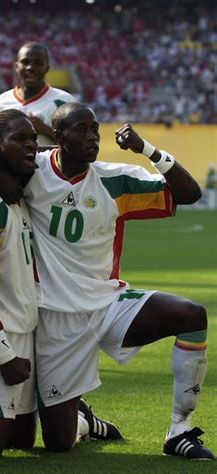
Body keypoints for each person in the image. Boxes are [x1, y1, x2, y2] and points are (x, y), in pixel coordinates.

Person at [21, 101, 213, 460]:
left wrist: (147, 150)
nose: (92, 137)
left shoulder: (114, 179)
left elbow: (189, 194)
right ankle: (86, 422)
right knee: (58, 443)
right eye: (81, 130)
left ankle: (179, 430)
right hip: (55, 317)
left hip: (108, 303)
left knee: (191, 315)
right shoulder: (31, 172)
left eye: (95, 129)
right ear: (59, 136)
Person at [0, 109, 121, 457]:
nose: (33, 146)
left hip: (29, 328)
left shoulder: (22, 194)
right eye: (20, 139)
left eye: (34, 139)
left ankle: (83, 421)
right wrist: (3, 353)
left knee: (23, 438)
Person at [0, 42, 75, 145]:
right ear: (16, 66)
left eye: (38, 63)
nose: (30, 67)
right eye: (25, 62)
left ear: (47, 68)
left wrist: (45, 130)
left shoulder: (64, 101)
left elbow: (77, 144)